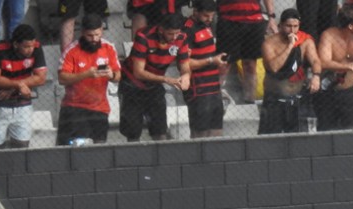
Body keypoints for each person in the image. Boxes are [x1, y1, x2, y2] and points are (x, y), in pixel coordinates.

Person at [118, 14, 191, 143]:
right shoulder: (143, 36)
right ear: (161, 29)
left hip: (154, 85)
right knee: (133, 133)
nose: (174, 38)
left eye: (177, 33)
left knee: (160, 131)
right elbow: (138, 72)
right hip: (132, 85)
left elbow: (184, 66)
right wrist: (166, 79)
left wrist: (186, 76)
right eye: (170, 34)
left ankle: (161, 159)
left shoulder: (181, 37)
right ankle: (134, 161)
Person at [56, 13, 121, 146]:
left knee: (99, 147)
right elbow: (62, 78)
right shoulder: (71, 51)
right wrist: (86, 74)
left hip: (100, 108)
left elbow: (118, 75)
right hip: (74, 108)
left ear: (102, 30)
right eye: (90, 36)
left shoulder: (109, 48)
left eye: (97, 35)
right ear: (82, 32)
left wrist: (111, 75)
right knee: (76, 147)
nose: (94, 39)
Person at [0, 24, 48, 150]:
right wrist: (18, 84)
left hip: (22, 103)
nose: (31, 50)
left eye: (32, 46)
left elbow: (41, 78)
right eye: (26, 46)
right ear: (16, 44)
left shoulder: (37, 47)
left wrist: (14, 87)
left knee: (22, 146)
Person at [316, 3, 353, 131]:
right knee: (326, 132)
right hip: (328, 92)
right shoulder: (329, 36)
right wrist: (349, 67)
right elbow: (324, 62)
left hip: (349, 91)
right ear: (351, 26)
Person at [216, 0, 276, 104]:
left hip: (254, 22)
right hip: (228, 21)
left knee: (250, 65)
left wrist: (271, 17)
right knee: (223, 64)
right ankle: (213, 100)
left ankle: (250, 102)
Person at [182, 0, 227, 139]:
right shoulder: (187, 30)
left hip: (214, 87)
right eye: (206, 16)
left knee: (216, 131)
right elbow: (184, 63)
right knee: (200, 133)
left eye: (212, 16)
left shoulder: (207, 26)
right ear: (195, 12)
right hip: (198, 89)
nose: (210, 19)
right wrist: (210, 61)